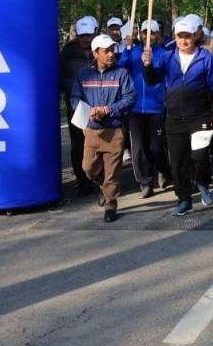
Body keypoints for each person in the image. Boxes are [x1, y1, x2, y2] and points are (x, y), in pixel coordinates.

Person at [142, 17, 213, 216]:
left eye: (187, 36)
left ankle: (203, 182)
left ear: (195, 36)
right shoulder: (167, 58)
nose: (184, 41)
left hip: (200, 116)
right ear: (175, 37)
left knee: (200, 156)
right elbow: (152, 80)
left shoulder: (205, 58)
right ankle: (184, 199)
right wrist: (147, 65)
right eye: (180, 37)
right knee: (177, 162)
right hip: (174, 118)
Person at [71, 34, 135, 222]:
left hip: (114, 130)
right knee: (88, 168)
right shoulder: (83, 74)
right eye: (106, 51)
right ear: (95, 53)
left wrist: (108, 110)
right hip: (91, 130)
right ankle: (106, 189)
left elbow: (130, 97)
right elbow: (75, 97)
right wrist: (86, 110)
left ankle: (110, 205)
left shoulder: (121, 73)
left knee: (112, 172)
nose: (111, 54)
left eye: (112, 50)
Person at [118, 19, 170, 197]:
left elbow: (165, 76)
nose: (148, 36)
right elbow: (122, 68)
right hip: (135, 109)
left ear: (158, 34)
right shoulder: (133, 52)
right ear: (140, 33)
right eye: (144, 32)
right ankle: (146, 182)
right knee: (139, 148)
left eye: (152, 33)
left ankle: (164, 171)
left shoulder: (163, 54)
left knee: (156, 148)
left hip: (156, 108)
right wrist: (127, 49)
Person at [60, 15, 98, 196]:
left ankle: (99, 179)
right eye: (82, 35)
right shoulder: (67, 52)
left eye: (88, 35)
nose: (85, 38)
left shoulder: (101, 49)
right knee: (78, 143)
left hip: (98, 103)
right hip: (77, 105)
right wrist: (74, 87)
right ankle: (82, 181)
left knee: (99, 141)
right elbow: (59, 76)